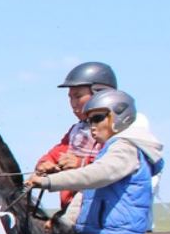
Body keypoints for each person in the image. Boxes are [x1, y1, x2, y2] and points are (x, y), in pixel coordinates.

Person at [28, 88, 164, 234]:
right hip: (99, 231)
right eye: (90, 119)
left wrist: (49, 181)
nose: (91, 125)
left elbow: (93, 175)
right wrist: (64, 222)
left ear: (119, 117)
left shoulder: (125, 149)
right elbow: (87, 196)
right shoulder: (109, 149)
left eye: (97, 118)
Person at [34, 61, 113, 210]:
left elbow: (113, 167)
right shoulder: (76, 131)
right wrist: (45, 165)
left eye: (78, 96)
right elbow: (55, 154)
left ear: (100, 94)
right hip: (73, 210)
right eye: (70, 97)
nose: (73, 103)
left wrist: (80, 164)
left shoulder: (117, 130)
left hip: (103, 211)